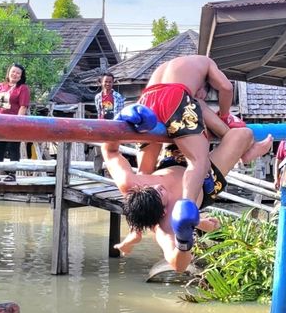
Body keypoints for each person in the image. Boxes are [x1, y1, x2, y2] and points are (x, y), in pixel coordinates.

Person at [102, 99, 272, 272]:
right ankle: (245, 154)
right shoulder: (166, 228)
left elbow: (109, 152)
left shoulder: (132, 184)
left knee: (154, 114)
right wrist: (183, 239)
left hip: (170, 163)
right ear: (164, 211)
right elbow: (178, 265)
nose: (158, 186)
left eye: (151, 187)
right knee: (243, 135)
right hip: (205, 181)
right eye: (160, 192)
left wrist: (120, 120)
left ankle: (135, 233)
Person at [135, 55, 246, 233]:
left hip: (145, 101)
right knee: (198, 161)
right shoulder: (207, 62)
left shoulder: (169, 65)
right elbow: (226, 87)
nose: (199, 97)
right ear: (204, 86)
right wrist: (224, 115)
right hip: (174, 96)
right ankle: (187, 210)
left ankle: (136, 229)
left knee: (143, 172)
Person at [0, 63, 31, 182]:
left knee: (13, 148)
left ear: (21, 76)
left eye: (18, 73)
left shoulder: (23, 88)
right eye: (13, 71)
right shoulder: (1, 85)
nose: (15, 74)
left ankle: (12, 173)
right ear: (9, 72)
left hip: (13, 122)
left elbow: (23, 106)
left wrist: (18, 122)